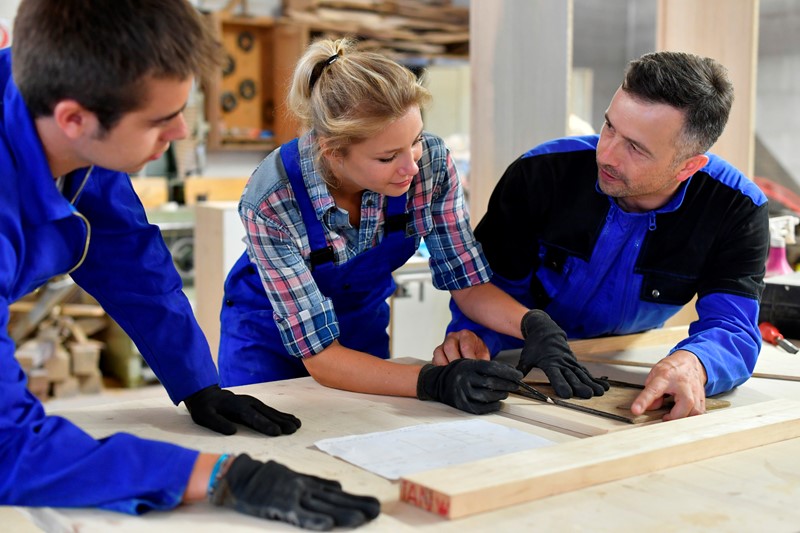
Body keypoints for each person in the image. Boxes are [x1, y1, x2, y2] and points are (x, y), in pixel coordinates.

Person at [0, 1, 379, 529]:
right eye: (160, 120)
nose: (181, 133)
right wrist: (215, 475)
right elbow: (6, 448)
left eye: (183, 109)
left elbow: (129, 258)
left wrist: (197, 380)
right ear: (74, 119)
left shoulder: (70, 119)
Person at [217, 38, 608, 413]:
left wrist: (534, 325)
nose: (411, 167)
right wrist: (433, 382)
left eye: (416, 139)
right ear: (333, 153)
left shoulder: (431, 164)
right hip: (266, 342)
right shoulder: (271, 200)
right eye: (388, 158)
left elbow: (467, 283)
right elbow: (321, 357)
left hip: (359, 329)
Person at [448, 51, 770, 421]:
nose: (607, 155)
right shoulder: (540, 174)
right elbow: (485, 289)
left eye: (636, 148)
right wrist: (473, 341)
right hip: (517, 358)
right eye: (610, 127)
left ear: (689, 166)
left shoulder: (736, 208)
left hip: (624, 364)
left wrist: (695, 363)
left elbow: (732, 326)